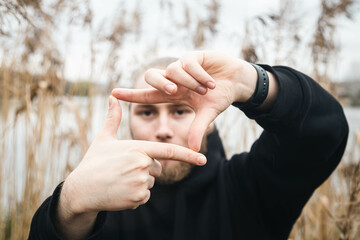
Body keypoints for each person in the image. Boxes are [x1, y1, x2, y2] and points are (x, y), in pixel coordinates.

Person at [29, 51, 349, 240]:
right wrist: (69, 207)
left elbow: (325, 131)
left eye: (181, 110)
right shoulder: (102, 205)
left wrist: (251, 83)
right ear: (129, 120)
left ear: (211, 119)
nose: (163, 129)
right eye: (147, 111)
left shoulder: (249, 186)